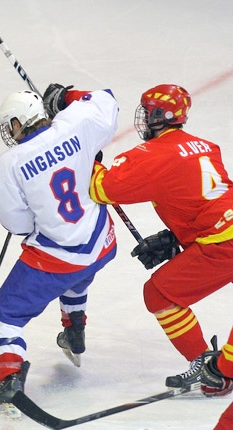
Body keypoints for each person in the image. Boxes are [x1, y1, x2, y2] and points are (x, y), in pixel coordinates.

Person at [0, 86, 118, 414]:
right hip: (102, 242)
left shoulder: (10, 162)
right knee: (80, 273)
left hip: (61, 256)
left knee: (7, 312)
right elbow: (107, 101)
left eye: (11, 124)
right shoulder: (73, 125)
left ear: (18, 122)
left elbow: (17, 223)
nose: (10, 131)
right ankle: (74, 328)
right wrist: (67, 97)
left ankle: (11, 378)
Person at [89, 83, 233, 391]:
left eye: (147, 111)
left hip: (222, 244)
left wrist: (88, 161)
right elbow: (203, 197)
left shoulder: (151, 154)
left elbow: (103, 189)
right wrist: (177, 236)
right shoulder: (207, 146)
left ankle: (212, 370)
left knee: (159, 294)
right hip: (223, 232)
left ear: (157, 117)